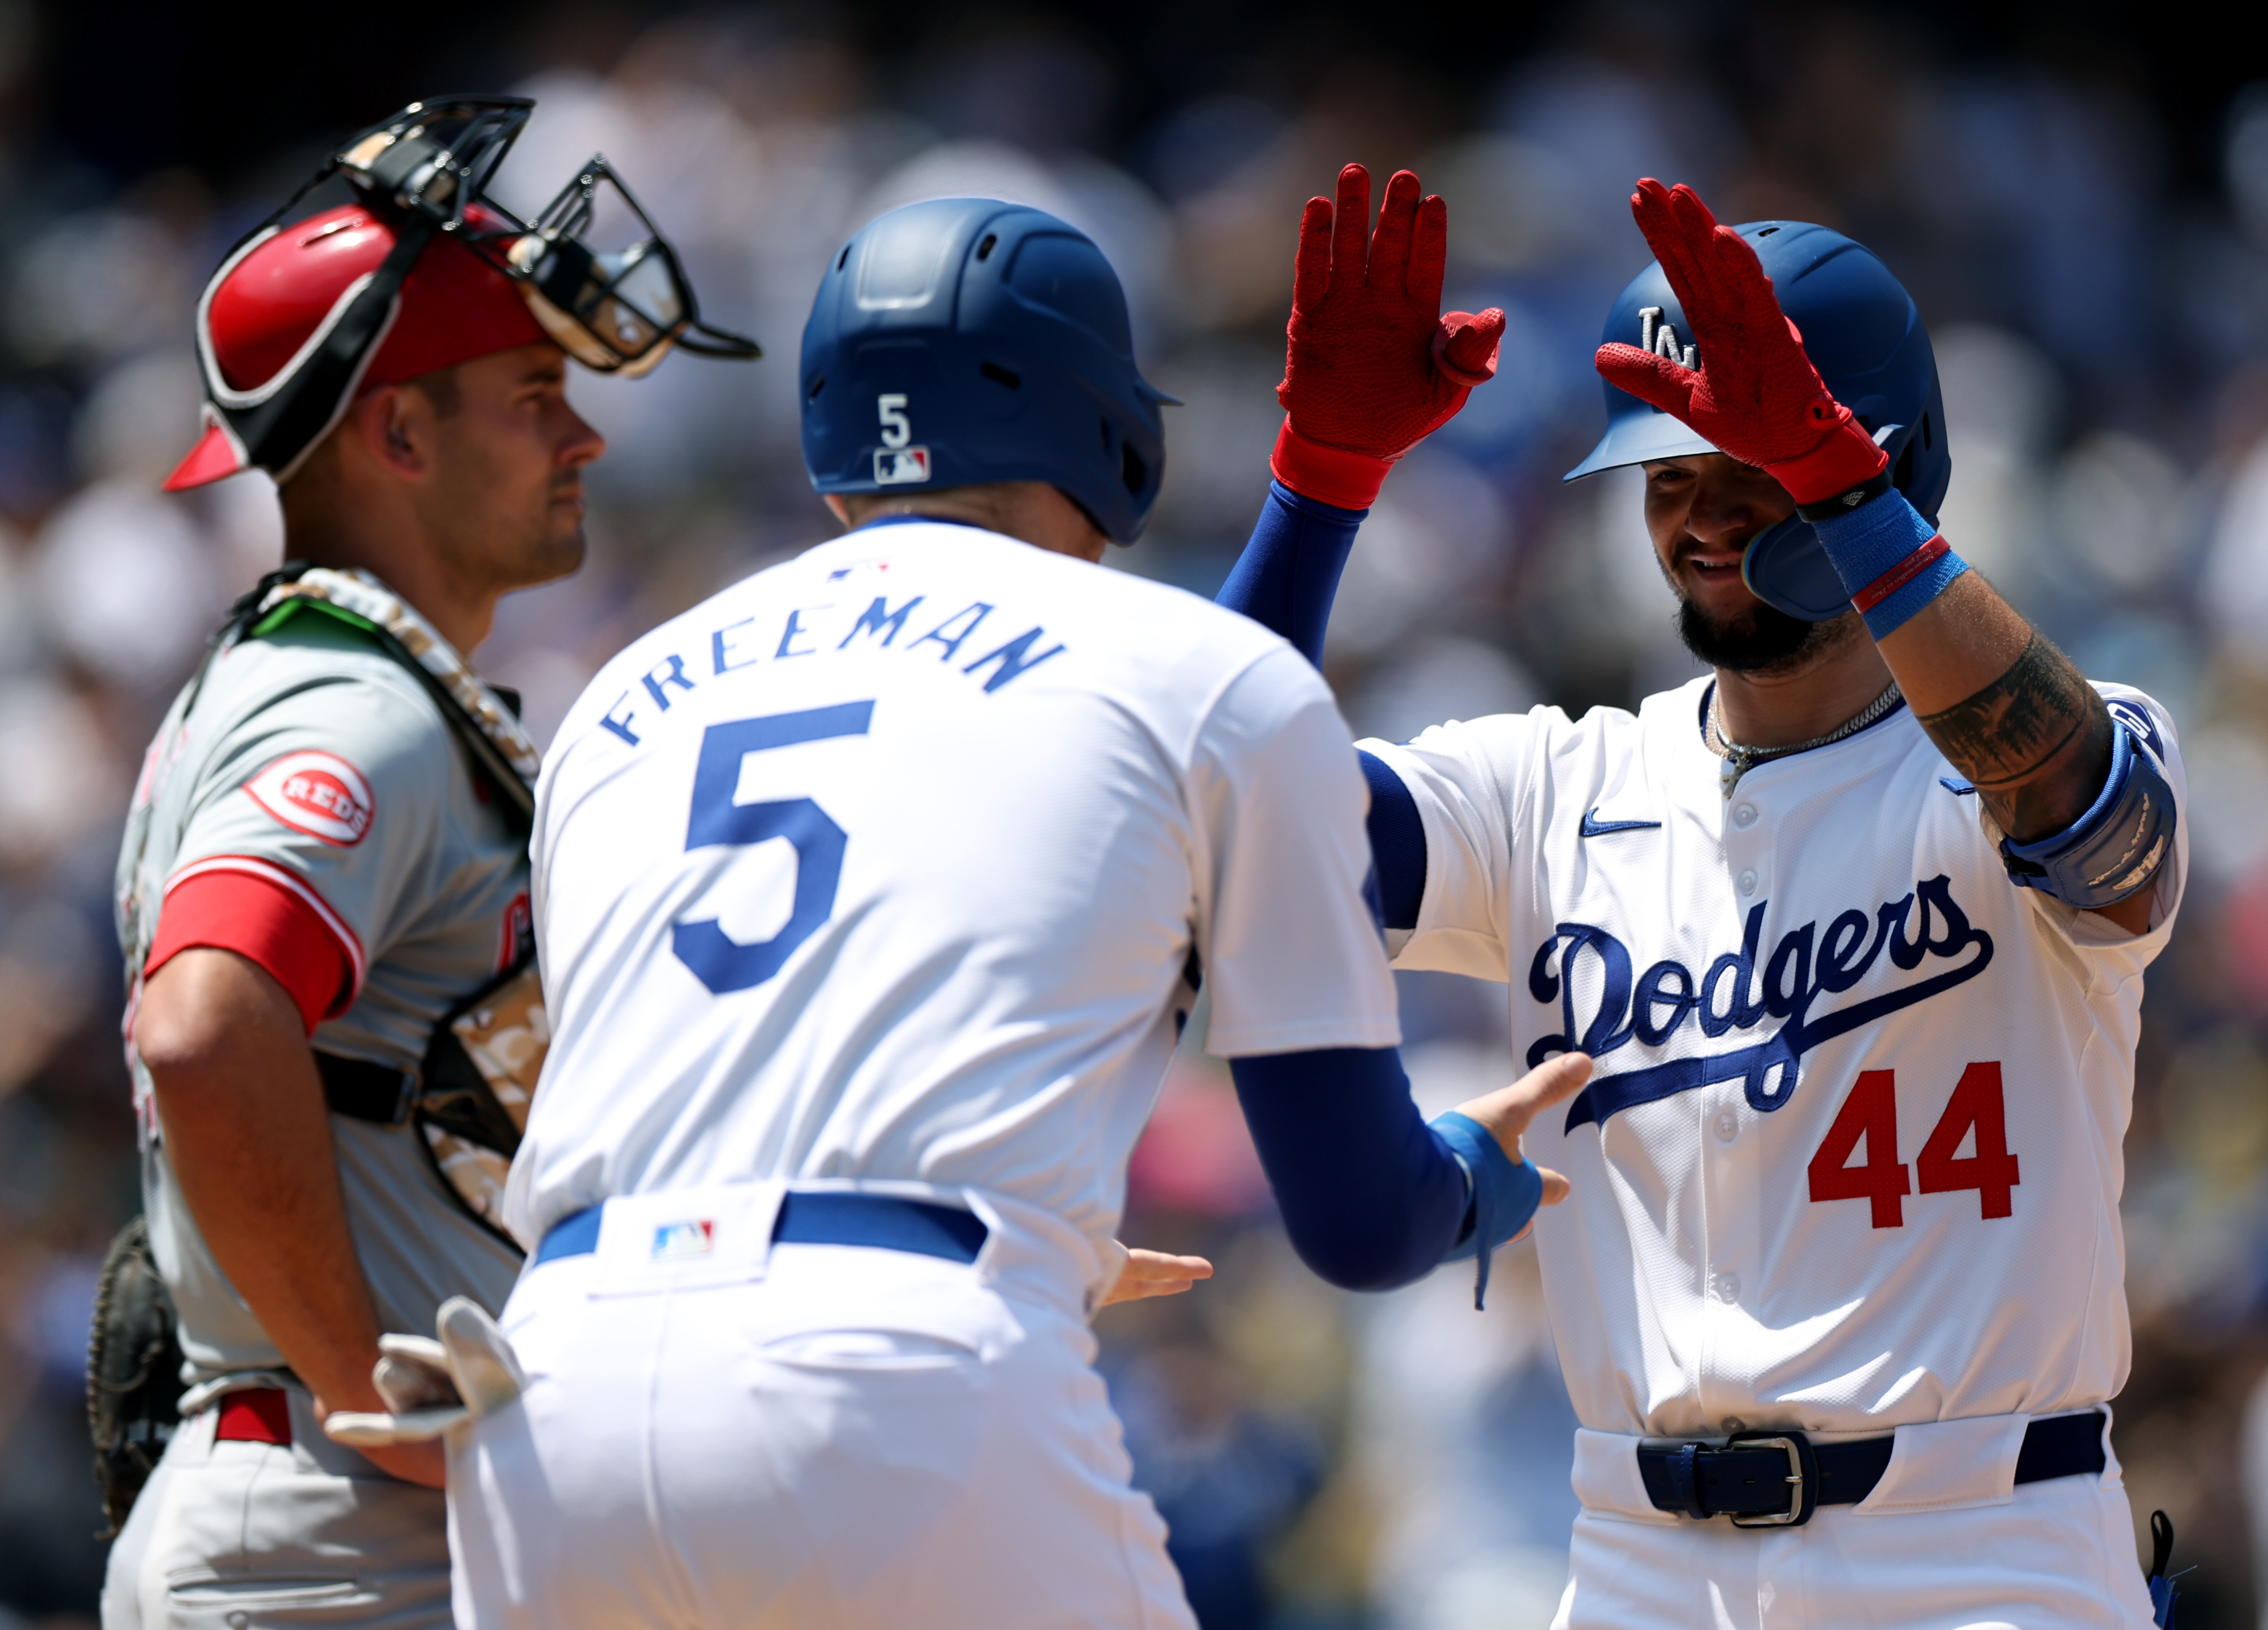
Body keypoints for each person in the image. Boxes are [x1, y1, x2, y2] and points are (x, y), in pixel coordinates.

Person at [422, 189, 1570, 1630]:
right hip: (902, 1373)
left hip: (558, 1387)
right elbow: (1358, 1218)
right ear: (1114, 429)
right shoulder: (1194, 675)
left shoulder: (618, 699)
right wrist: (1473, 1175)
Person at [1218, 170, 2183, 1626]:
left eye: (1748, 468)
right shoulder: (1551, 787)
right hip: (1636, 1554)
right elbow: (1214, 820)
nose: (1701, 516)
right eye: (1670, 475)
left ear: (1881, 464)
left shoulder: (2039, 737)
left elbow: (2091, 824)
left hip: (1982, 1546)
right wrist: (1318, 487)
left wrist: (1846, 499)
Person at [101, 96, 756, 1630]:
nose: (583, 431)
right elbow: (204, 1024)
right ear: (398, 431)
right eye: (534, 391)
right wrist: (354, 1390)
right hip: (335, 1547)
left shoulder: (357, 688)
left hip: (360, 1539)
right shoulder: (353, 706)